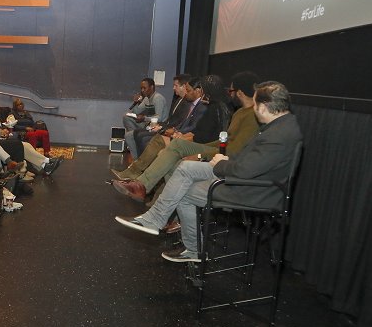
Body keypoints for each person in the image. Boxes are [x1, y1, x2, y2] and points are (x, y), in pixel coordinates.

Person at [115, 81, 303, 262]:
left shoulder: (278, 135)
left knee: (184, 192)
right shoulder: (281, 127)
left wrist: (222, 163)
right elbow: (252, 162)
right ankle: (155, 219)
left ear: (263, 107)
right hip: (245, 178)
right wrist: (226, 160)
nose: (253, 108)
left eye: (255, 104)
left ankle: (193, 249)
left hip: (252, 190)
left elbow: (245, 170)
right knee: (185, 168)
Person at [112, 72, 260, 202]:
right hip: (212, 148)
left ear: (240, 93)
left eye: (232, 91)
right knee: (175, 145)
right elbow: (223, 141)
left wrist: (200, 154)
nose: (230, 93)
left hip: (223, 159)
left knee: (170, 151)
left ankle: (149, 193)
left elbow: (232, 150)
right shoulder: (240, 112)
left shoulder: (252, 116)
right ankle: (141, 185)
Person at [0, 100, 61, 176]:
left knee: (26, 145)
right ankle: (28, 169)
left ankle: (45, 164)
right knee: (18, 143)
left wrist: (1, 130)